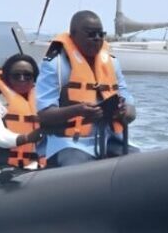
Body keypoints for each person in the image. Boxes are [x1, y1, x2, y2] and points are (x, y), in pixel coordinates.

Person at [36, 10, 137, 167]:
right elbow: (42, 115)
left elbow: (129, 104)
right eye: (90, 34)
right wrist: (78, 110)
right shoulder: (55, 65)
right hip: (70, 143)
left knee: (138, 162)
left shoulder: (112, 63)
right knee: (78, 170)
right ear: (73, 35)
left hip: (108, 138)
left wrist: (126, 111)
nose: (97, 39)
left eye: (100, 34)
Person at [0, 53, 44, 171]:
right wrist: (26, 138)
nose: (22, 79)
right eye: (16, 75)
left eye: (27, 75)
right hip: (3, 166)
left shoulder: (43, 102)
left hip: (37, 166)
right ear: (7, 79)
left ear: (34, 79)